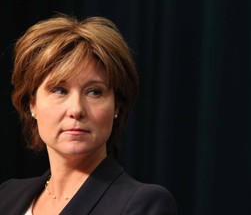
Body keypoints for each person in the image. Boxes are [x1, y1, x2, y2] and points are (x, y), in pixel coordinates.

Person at [0, 14, 178, 215]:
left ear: (117, 107)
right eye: (59, 90)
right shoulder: (7, 196)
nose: (76, 109)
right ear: (32, 103)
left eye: (94, 92)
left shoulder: (144, 204)